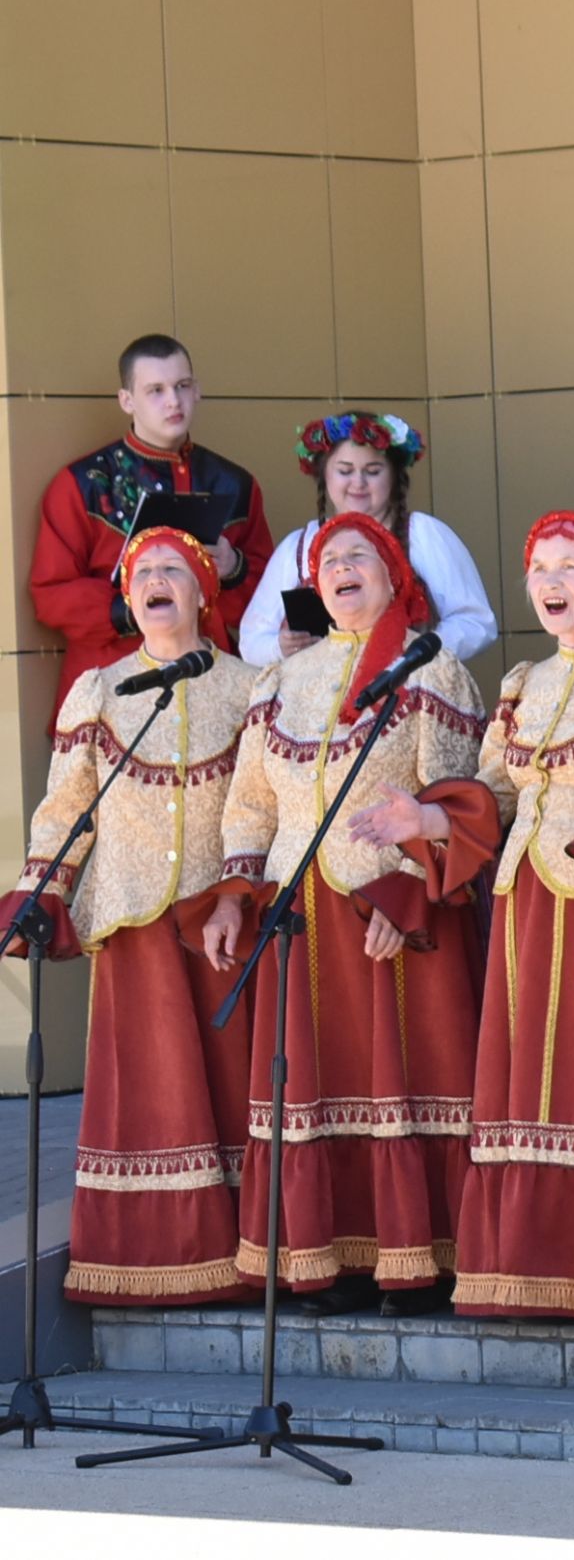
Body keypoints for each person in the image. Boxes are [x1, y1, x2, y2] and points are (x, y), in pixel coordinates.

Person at [359, 511, 574, 1326]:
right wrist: (428, 822)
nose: (550, 583)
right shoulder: (524, 683)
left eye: (569, 566)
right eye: (539, 569)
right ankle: (533, 1269)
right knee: (531, 1091)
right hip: (530, 908)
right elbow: (499, 796)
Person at [202, 512, 496, 1316]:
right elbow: (251, 804)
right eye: (328, 560)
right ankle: (323, 1257)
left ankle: (415, 1259)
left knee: (404, 1072)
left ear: (394, 572)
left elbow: (458, 797)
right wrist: (234, 895)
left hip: (397, 910)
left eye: (359, 554)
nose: (341, 568)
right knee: (317, 1082)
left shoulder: (430, 671)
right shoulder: (278, 682)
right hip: (298, 907)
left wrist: (406, 890)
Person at [1, 528, 256, 1305]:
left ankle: (245, 1253)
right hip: (132, 916)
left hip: (220, 917)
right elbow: (67, 805)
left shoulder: (253, 685)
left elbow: (266, 801)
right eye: (142, 571)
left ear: (203, 591)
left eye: (173, 569)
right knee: (148, 1091)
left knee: (230, 1082)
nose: (155, 580)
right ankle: (146, 1264)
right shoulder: (100, 690)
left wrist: (242, 892)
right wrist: (39, 890)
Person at [32, 333, 274, 727]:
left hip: (212, 687)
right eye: (155, 390)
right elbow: (51, 593)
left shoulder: (234, 483)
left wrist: (232, 567)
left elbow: (267, 596)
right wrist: (142, 608)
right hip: (113, 688)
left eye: (182, 386)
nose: (173, 401)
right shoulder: (84, 483)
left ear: (197, 390)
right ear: (127, 400)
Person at [237, 410, 497, 666]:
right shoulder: (298, 547)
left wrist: (415, 654)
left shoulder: (422, 534)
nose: (358, 482)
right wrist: (280, 647)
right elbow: (251, 640)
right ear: (324, 475)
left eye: (372, 471)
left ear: (394, 476)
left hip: (405, 693)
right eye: (345, 471)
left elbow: (475, 623)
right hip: (320, 698)